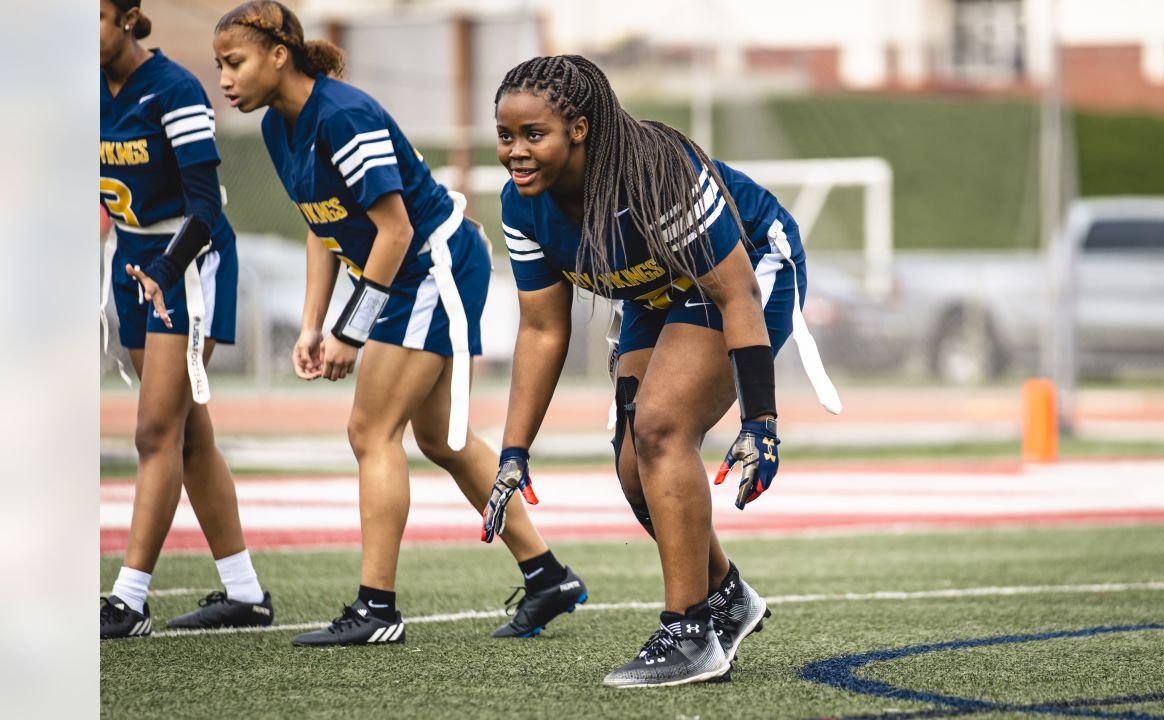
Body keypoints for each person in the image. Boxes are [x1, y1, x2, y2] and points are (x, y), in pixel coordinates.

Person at [212, 1, 587, 646]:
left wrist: (348, 332)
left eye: (234, 62)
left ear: (279, 56)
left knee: (370, 431)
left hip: (427, 268)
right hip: (406, 272)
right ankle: (547, 575)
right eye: (220, 65)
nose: (223, 78)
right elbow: (321, 224)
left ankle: (377, 608)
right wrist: (311, 323)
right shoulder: (280, 125)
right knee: (440, 437)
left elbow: (396, 229)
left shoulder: (343, 114)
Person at [483, 55, 841, 687]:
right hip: (658, 292)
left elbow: (735, 294)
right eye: (506, 135)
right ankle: (728, 597)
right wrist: (514, 449)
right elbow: (542, 329)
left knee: (660, 428)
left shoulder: (653, 173)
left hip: (746, 267)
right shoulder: (521, 206)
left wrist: (761, 419)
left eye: (532, 135)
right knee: (633, 468)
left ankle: (690, 631)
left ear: (580, 129)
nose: (515, 151)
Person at [99, 0, 273, 639]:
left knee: (154, 432)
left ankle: (130, 598)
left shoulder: (174, 89)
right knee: (187, 435)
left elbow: (203, 208)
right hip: (131, 257)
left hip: (186, 261)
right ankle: (246, 594)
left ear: (126, 16)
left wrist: (164, 275)